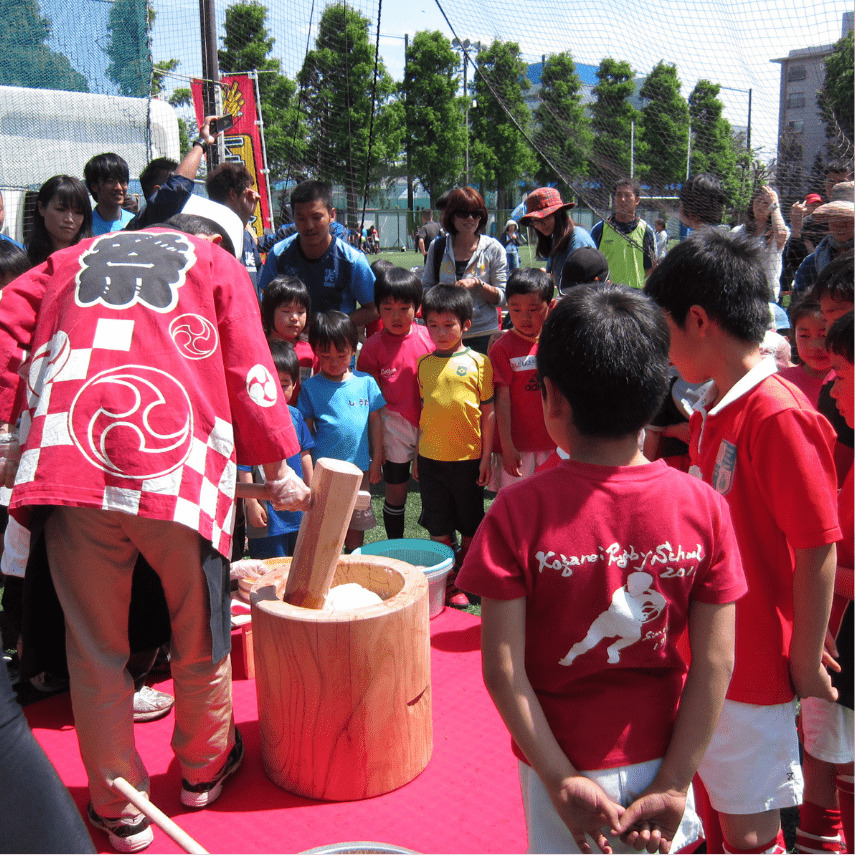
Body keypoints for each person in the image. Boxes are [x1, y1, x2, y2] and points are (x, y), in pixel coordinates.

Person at [0, 215, 311, 852]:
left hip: (72, 455)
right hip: (176, 462)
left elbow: (5, 314)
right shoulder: (212, 262)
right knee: (199, 627)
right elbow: (250, 362)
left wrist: (9, 428)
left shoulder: (72, 257)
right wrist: (278, 467)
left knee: (94, 649)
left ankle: (118, 806)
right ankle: (204, 767)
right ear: (212, 238)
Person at [457, 284, 746, 854]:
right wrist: (675, 782)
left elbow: (502, 668)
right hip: (664, 758)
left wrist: (560, 778)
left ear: (552, 398)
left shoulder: (518, 509)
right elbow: (716, 661)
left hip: (558, 762)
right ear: (655, 394)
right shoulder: (704, 506)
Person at [644, 229, 841, 854]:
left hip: (754, 666)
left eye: (665, 329)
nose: (662, 350)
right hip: (712, 657)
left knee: (751, 830)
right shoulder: (715, 409)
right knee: (714, 810)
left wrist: (806, 657)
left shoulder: (776, 414)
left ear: (699, 321)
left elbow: (817, 547)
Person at [796, 310, 855, 856]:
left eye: (841, 368)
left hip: (844, 625)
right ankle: (818, 840)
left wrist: (827, 579)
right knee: (829, 745)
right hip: (838, 627)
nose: (832, 383)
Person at [417, 284, 494, 607]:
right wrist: (416, 460)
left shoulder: (479, 362)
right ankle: (448, 583)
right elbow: (425, 411)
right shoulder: (423, 364)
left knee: (471, 524)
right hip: (430, 460)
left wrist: (486, 457)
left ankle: (467, 573)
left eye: (448, 324)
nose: (440, 332)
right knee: (439, 524)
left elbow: (487, 413)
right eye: (433, 325)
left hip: (467, 459)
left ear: (466, 325)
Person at [357, 266, 434, 540]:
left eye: (404, 307)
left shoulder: (430, 338)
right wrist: (376, 452)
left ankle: (446, 544)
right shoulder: (372, 347)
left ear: (418, 307)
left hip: (431, 423)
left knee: (435, 488)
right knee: (397, 489)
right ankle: (395, 547)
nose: (396, 316)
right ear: (377, 309)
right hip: (393, 426)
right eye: (388, 308)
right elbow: (370, 404)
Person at [298, 311, 385, 552]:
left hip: (360, 469)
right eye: (325, 356)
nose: (334, 361)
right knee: (326, 521)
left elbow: (376, 423)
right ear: (316, 352)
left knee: (356, 519)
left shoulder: (366, 382)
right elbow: (305, 433)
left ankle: (353, 556)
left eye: (341, 354)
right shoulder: (311, 387)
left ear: (353, 350)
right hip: (325, 472)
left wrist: (377, 459)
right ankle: (329, 563)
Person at [257, 180, 378, 329]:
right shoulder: (278, 254)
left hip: (335, 349)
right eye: (301, 218)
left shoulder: (353, 260)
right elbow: (266, 304)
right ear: (293, 217)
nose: (309, 226)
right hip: (291, 349)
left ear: (331, 215)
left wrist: (329, 328)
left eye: (316, 217)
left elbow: (373, 308)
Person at [240, 341, 314, 559]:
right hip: (266, 516)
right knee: (266, 572)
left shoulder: (297, 416)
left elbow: (305, 455)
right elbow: (244, 467)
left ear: (294, 385)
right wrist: (251, 504)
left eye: (284, 384)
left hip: (297, 512)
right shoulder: (251, 421)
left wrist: (312, 492)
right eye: (270, 384)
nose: (278, 392)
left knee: (297, 568)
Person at [487, 268, 555, 493]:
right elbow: (502, 400)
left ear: (550, 306)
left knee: (552, 505)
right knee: (516, 505)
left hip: (555, 443)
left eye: (534, 309)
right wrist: (507, 446)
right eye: (515, 309)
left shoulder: (558, 342)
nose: (524, 317)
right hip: (518, 447)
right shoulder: (502, 348)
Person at [422, 186, 507, 355]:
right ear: (451, 215)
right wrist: (445, 294)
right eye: (463, 213)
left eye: (476, 213)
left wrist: (478, 284)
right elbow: (426, 289)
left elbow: (503, 297)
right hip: (446, 334)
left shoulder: (494, 248)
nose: (470, 218)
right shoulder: (437, 247)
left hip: (485, 335)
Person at [518, 186, 596, 294]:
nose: (540, 225)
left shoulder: (578, 239)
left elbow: (580, 289)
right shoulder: (557, 239)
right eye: (535, 221)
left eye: (545, 218)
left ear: (558, 214)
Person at [205, 163, 262, 295]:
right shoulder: (212, 237)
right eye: (248, 192)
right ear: (233, 194)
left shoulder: (246, 236)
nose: (254, 197)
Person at [590, 178, 657, 289]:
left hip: (634, 296)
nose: (622, 199)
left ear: (637, 200)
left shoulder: (646, 231)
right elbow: (591, 264)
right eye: (618, 195)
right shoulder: (600, 229)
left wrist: (632, 283)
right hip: (606, 295)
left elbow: (650, 267)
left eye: (627, 195)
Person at [261, 275, 316, 404]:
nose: (294, 318)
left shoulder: (310, 353)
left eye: (301, 312)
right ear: (269, 312)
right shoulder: (259, 349)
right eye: (286, 311)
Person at [793, 182, 854, 295]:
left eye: (847, 217)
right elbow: (798, 304)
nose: (840, 224)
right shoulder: (811, 262)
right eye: (835, 217)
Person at [731, 184, 789, 301]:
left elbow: (782, 233)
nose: (760, 204)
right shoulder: (738, 231)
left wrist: (774, 205)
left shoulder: (776, 233)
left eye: (765, 202)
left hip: (765, 294)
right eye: (758, 200)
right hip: (739, 291)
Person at [778, 296, 833, 407]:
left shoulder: (850, 380)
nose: (815, 346)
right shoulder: (781, 383)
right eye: (804, 336)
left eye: (824, 335)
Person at [26, 174, 92, 266]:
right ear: (41, 208)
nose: (69, 219)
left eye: (78, 212)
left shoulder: (93, 261)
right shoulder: (24, 262)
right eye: (60, 209)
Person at [84, 153, 134, 235]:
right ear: (94, 186)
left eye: (122, 181)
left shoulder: (135, 223)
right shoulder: (85, 226)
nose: (118, 187)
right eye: (110, 181)